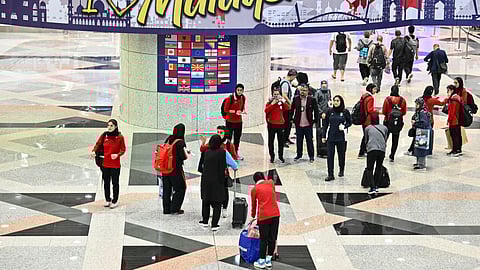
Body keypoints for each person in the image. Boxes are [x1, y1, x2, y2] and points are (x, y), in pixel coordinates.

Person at [199, 135, 238, 231]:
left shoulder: (206, 152)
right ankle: (214, 224)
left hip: (206, 181)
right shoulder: (223, 153)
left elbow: (201, 167)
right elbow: (234, 165)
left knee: (206, 201)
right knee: (217, 204)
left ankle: (205, 221)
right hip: (218, 181)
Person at [91, 119, 126, 209]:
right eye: (108, 125)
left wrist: (117, 155)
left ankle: (115, 200)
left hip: (115, 164)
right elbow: (98, 144)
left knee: (115, 183)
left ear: (116, 127)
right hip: (105, 163)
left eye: (111, 126)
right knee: (106, 182)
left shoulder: (120, 137)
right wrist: (94, 151)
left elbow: (123, 149)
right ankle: (107, 199)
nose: (109, 127)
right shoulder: (104, 135)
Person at [251, 172, 280, 269]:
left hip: (264, 216)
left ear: (255, 180)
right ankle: (268, 260)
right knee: (272, 237)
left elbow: (254, 205)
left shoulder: (255, 189)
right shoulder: (271, 183)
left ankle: (261, 261)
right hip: (275, 214)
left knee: (264, 239)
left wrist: (253, 216)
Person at [406, 86, 445, 155]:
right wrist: (448, 98)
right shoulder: (432, 100)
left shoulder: (419, 99)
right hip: (430, 120)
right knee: (428, 136)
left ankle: (411, 150)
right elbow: (442, 103)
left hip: (419, 120)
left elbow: (416, 110)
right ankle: (428, 151)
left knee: (416, 136)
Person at [322, 95, 352, 181]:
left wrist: (344, 126)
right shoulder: (329, 111)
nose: (336, 102)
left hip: (341, 137)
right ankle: (330, 174)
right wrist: (324, 136)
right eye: (334, 100)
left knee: (341, 155)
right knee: (330, 156)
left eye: (338, 101)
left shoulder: (345, 111)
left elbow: (350, 122)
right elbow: (325, 124)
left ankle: (341, 169)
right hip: (331, 137)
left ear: (341, 102)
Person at [161, 123, 188, 215]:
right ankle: (175, 208)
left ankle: (166, 209)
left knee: (166, 189)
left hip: (165, 168)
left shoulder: (169, 139)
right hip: (175, 170)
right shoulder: (180, 142)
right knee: (180, 188)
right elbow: (183, 156)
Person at [292, 84, 318, 162]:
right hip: (299, 123)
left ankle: (311, 156)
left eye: (304, 90)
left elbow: (316, 110)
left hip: (308, 124)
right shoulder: (296, 99)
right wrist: (292, 119)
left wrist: (315, 120)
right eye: (301, 90)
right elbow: (292, 109)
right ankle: (299, 154)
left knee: (309, 140)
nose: (302, 92)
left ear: (308, 91)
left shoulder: (311, 99)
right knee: (299, 140)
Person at [382, 85, 407, 162]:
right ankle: (392, 156)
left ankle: (382, 154)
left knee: (384, 139)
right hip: (398, 122)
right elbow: (404, 112)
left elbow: (383, 111)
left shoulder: (387, 99)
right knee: (395, 140)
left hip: (387, 122)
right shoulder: (402, 100)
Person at [265, 88, 291, 163]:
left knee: (281, 141)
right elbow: (266, 111)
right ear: (272, 95)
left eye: (277, 94)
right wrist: (272, 104)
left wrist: (284, 100)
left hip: (280, 125)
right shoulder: (269, 103)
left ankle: (281, 156)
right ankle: (272, 156)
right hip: (271, 125)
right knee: (271, 141)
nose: (276, 96)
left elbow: (288, 107)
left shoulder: (281, 103)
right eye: (274, 94)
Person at [224, 83, 246, 160]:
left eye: (241, 90)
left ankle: (235, 153)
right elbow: (226, 110)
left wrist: (242, 111)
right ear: (235, 90)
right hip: (230, 121)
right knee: (228, 138)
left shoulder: (243, 98)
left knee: (237, 138)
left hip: (238, 122)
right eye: (238, 90)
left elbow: (242, 108)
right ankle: (228, 154)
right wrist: (235, 111)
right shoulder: (230, 98)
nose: (239, 92)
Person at [364, 122, 388, 194]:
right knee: (379, 167)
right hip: (382, 150)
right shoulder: (384, 128)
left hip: (372, 149)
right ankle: (377, 185)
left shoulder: (368, 128)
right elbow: (385, 139)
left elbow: (366, 140)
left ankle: (372, 187)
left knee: (369, 168)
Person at [358, 83, 380, 158]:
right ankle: (362, 151)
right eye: (374, 89)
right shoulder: (370, 98)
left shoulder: (364, 96)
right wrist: (376, 111)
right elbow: (370, 110)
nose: (375, 90)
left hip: (362, 118)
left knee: (365, 135)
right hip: (368, 120)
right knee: (367, 136)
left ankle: (363, 151)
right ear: (371, 89)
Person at [412, 97, 432, 170]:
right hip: (421, 131)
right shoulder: (421, 111)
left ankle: (421, 164)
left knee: (421, 148)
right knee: (419, 147)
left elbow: (424, 123)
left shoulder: (422, 112)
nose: (416, 105)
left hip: (423, 132)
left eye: (417, 104)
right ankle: (418, 163)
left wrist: (415, 123)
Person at [280, 69, 297, 147]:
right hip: (286, 107)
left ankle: (286, 138)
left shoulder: (288, 82)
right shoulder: (285, 84)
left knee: (289, 123)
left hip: (288, 106)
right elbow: (284, 95)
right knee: (286, 123)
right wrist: (290, 103)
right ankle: (283, 140)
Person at [314, 80, 332, 158]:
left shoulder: (328, 91)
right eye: (323, 84)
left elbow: (329, 101)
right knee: (319, 132)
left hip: (327, 114)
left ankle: (326, 150)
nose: (324, 85)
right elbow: (316, 104)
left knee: (326, 131)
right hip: (320, 115)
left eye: (325, 84)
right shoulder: (318, 93)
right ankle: (320, 150)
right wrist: (321, 113)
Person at [446, 84, 464, 156]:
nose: (447, 92)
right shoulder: (458, 97)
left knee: (454, 136)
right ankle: (458, 149)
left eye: (448, 90)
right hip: (458, 120)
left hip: (454, 121)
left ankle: (455, 150)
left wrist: (449, 120)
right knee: (458, 135)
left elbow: (451, 112)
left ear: (452, 90)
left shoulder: (453, 100)